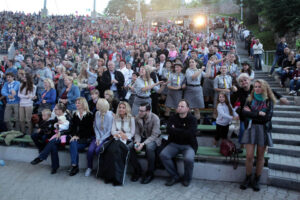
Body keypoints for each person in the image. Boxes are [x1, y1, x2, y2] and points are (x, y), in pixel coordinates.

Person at [240, 79, 276, 191]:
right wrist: (257, 113)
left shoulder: (269, 101)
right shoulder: (250, 99)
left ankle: (257, 179)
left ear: (264, 88)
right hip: (251, 128)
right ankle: (248, 177)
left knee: (260, 157)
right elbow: (244, 113)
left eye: (259, 86)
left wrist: (252, 114)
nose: (257, 88)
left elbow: (267, 118)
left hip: (263, 130)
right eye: (255, 86)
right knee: (249, 156)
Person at [160, 100, 198, 187]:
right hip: (174, 143)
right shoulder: (173, 117)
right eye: (178, 106)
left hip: (189, 145)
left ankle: (187, 178)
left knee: (188, 159)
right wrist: (182, 130)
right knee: (163, 155)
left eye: (182, 106)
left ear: (187, 109)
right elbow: (168, 130)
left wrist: (175, 129)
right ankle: (175, 176)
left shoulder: (192, 119)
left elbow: (190, 133)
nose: (179, 108)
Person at [98, 102, 135, 186]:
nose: (121, 109)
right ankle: (109, 177)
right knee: (109, 152)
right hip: (117, 138)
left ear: (126, 109)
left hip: (126, 140)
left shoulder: (131, 119)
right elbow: (112, 131)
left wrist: (124, 135)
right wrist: (119, 134)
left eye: (123, 107)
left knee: (117, 153)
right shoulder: (115, 118)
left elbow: (132, 133)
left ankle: (117, 178)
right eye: (120, 107)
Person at [31, 103, 70, 174]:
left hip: (64, 138)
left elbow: (70, 130)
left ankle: (41, 157)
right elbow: (51, 125)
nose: (54, 110)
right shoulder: (56, 117)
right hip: (56, 138)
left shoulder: (67, 117)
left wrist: (61, 133)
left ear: (60, 110)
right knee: (53, 146)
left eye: (56, 109)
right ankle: (54, 167)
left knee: (52, 141)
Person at [130, 103, 161, 184]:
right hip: (142, 138)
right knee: (130, 147)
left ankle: (150, 173)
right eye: (139, 110)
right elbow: (137, 133)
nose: (139, 112)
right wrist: (137, 142)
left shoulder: (155, 118)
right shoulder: (137, 117)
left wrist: (142, 144)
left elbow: (154, 135)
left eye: (141, 111)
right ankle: (137, 170)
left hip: (153, 139)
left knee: (149, 148)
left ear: (148, 111)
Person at [86, 98, 114, 177]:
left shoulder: (110, 115)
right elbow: (96, 127)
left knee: (98, 150)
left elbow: (109, 131)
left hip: (106, 138)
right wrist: (98, 138)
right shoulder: (97, 113)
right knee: (90, 150)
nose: (96, 105)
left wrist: (101, 139)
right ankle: (89, 167)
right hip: (98, 137)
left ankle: (101, 169)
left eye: (97, 104)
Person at [69, 97, 94, 176]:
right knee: (73, 143)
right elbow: (72, 128)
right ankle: (74, 166)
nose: (77, 104)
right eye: (76, 103)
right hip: (76, 139)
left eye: (78, 103)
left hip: (86, 139)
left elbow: (89, 131)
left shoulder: (89, 115)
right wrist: (74, 135)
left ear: (83, 104)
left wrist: (78, 136)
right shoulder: (75, 114)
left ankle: (74, 166)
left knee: (73, 144)